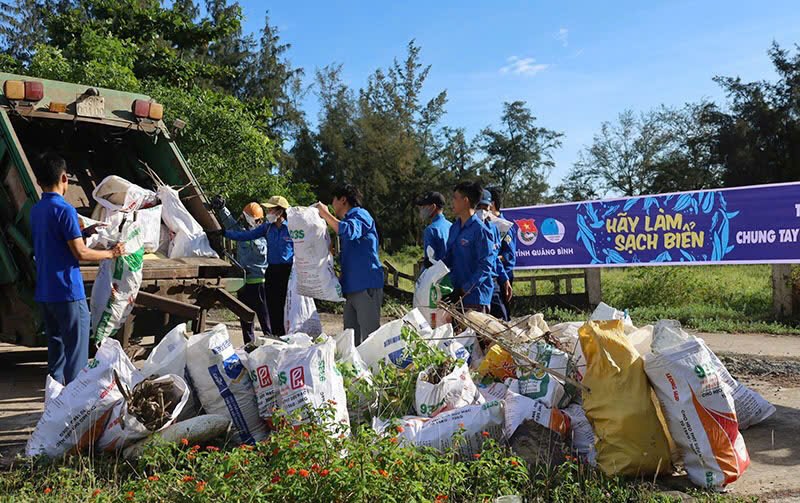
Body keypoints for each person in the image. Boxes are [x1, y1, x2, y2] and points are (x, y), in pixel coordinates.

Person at [31, 153, 124, 385]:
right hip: (68, 293)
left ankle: (55, 406)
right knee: (77, 358)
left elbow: (54, 241)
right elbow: (81, 253)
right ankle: (76, 410)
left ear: (38, 180)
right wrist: (111, 253)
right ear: (64, 177)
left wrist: (83, 233)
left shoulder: (36, 210)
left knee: (57, 357)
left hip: (45, 293)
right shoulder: (65, 210)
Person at [316, 184, 384, 344]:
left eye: (334, 200)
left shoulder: (361, 215)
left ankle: (373, 369)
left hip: (366, 285)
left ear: (343, 200)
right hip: (351, 287)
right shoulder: (347, 220)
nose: (332, 204)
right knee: (350, 339)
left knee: (370, 337)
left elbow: (348, 231)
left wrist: (325, 214)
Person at [220, 196, 294, 336]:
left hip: (286, 272)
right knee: (272, 310)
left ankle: (283, 337)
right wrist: (224, 233)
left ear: (280, 211)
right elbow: (245, 235)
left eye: (271, 209)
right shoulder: (267, 228)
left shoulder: (292, 228)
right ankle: (274, 338)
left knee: (283, 309)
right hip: (270, 272)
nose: (269, 212)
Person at [211, 196, 269, 342]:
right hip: (244, 284)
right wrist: (221, 208)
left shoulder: (264, 234)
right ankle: (249, 348)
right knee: (245, 319)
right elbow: (229, 222)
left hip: (260, 284)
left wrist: (251, 234)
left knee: (266, 320)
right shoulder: (241, 231)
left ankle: (271, 346)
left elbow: (261, 253)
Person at [442, 181, 495, 312]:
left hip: (475, 298)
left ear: (465, 201)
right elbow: (450, 257)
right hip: (456, 296)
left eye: (455, 198)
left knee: (472, 333)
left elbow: (486, 266)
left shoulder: (481, 230)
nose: (451, 202)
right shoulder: (454, 227)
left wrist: (464, 290)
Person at [477, 189, 512, 321]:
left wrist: (505, 279)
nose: (482, 211)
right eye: (478, 207)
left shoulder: (495, 228)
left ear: (490, 207)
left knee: (502, 322)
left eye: (485, 207)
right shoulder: (467, 229)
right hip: (475, 287)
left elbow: (495, 257)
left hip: (493, 283)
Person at [488, 187, 516, 316]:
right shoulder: (487, 224)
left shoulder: (504, 226)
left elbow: (509, 255)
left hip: (503, 275)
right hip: (491, 275)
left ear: (492, 204)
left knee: (503, 312)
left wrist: (491, 258)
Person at [415, 191, 451, 268]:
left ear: (433, 207)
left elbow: (430, 262)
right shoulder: (452, 226)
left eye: (424, 207)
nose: (421, 210)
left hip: (437, 276)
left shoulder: (431, 230)